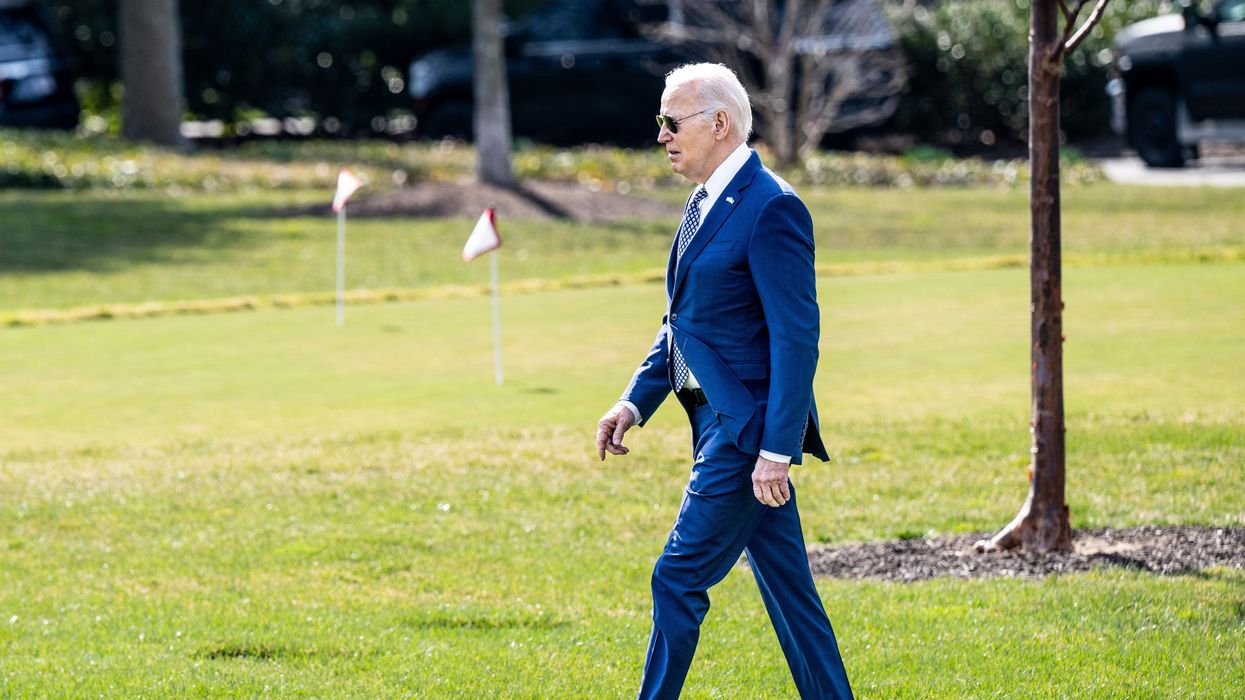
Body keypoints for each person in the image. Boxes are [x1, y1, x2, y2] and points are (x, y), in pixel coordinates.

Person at [594, 63, 854, 699]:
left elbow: (797, 339)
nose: (661, 135)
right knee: (793, 595)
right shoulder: (702, 201)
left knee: (676, 577)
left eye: (671, 121)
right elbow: (683, 322)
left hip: (744, 436)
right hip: (717, 423)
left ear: (719, 123)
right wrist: (634, 402)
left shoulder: (773, 210)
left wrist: (774, 449)